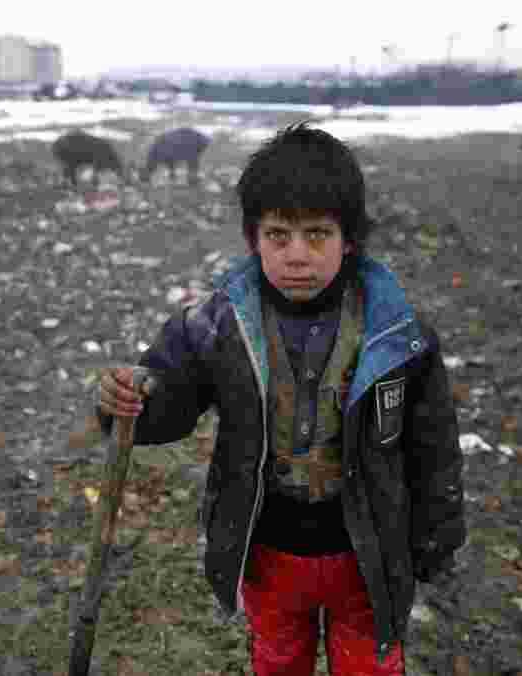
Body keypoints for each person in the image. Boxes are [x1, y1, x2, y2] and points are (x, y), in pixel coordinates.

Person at [94, 121, 466, 675]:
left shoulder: (398, 335)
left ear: (350, 239)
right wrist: (132, 399)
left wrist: (436, 535)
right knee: (278, 658)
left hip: (368, 553)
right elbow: (166, 400)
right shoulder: (217, 326)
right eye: (278, 236)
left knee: (369, 663)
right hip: (267, 550)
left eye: (317, 235)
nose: (297, 255)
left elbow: (432, 444)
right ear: (253, 239)